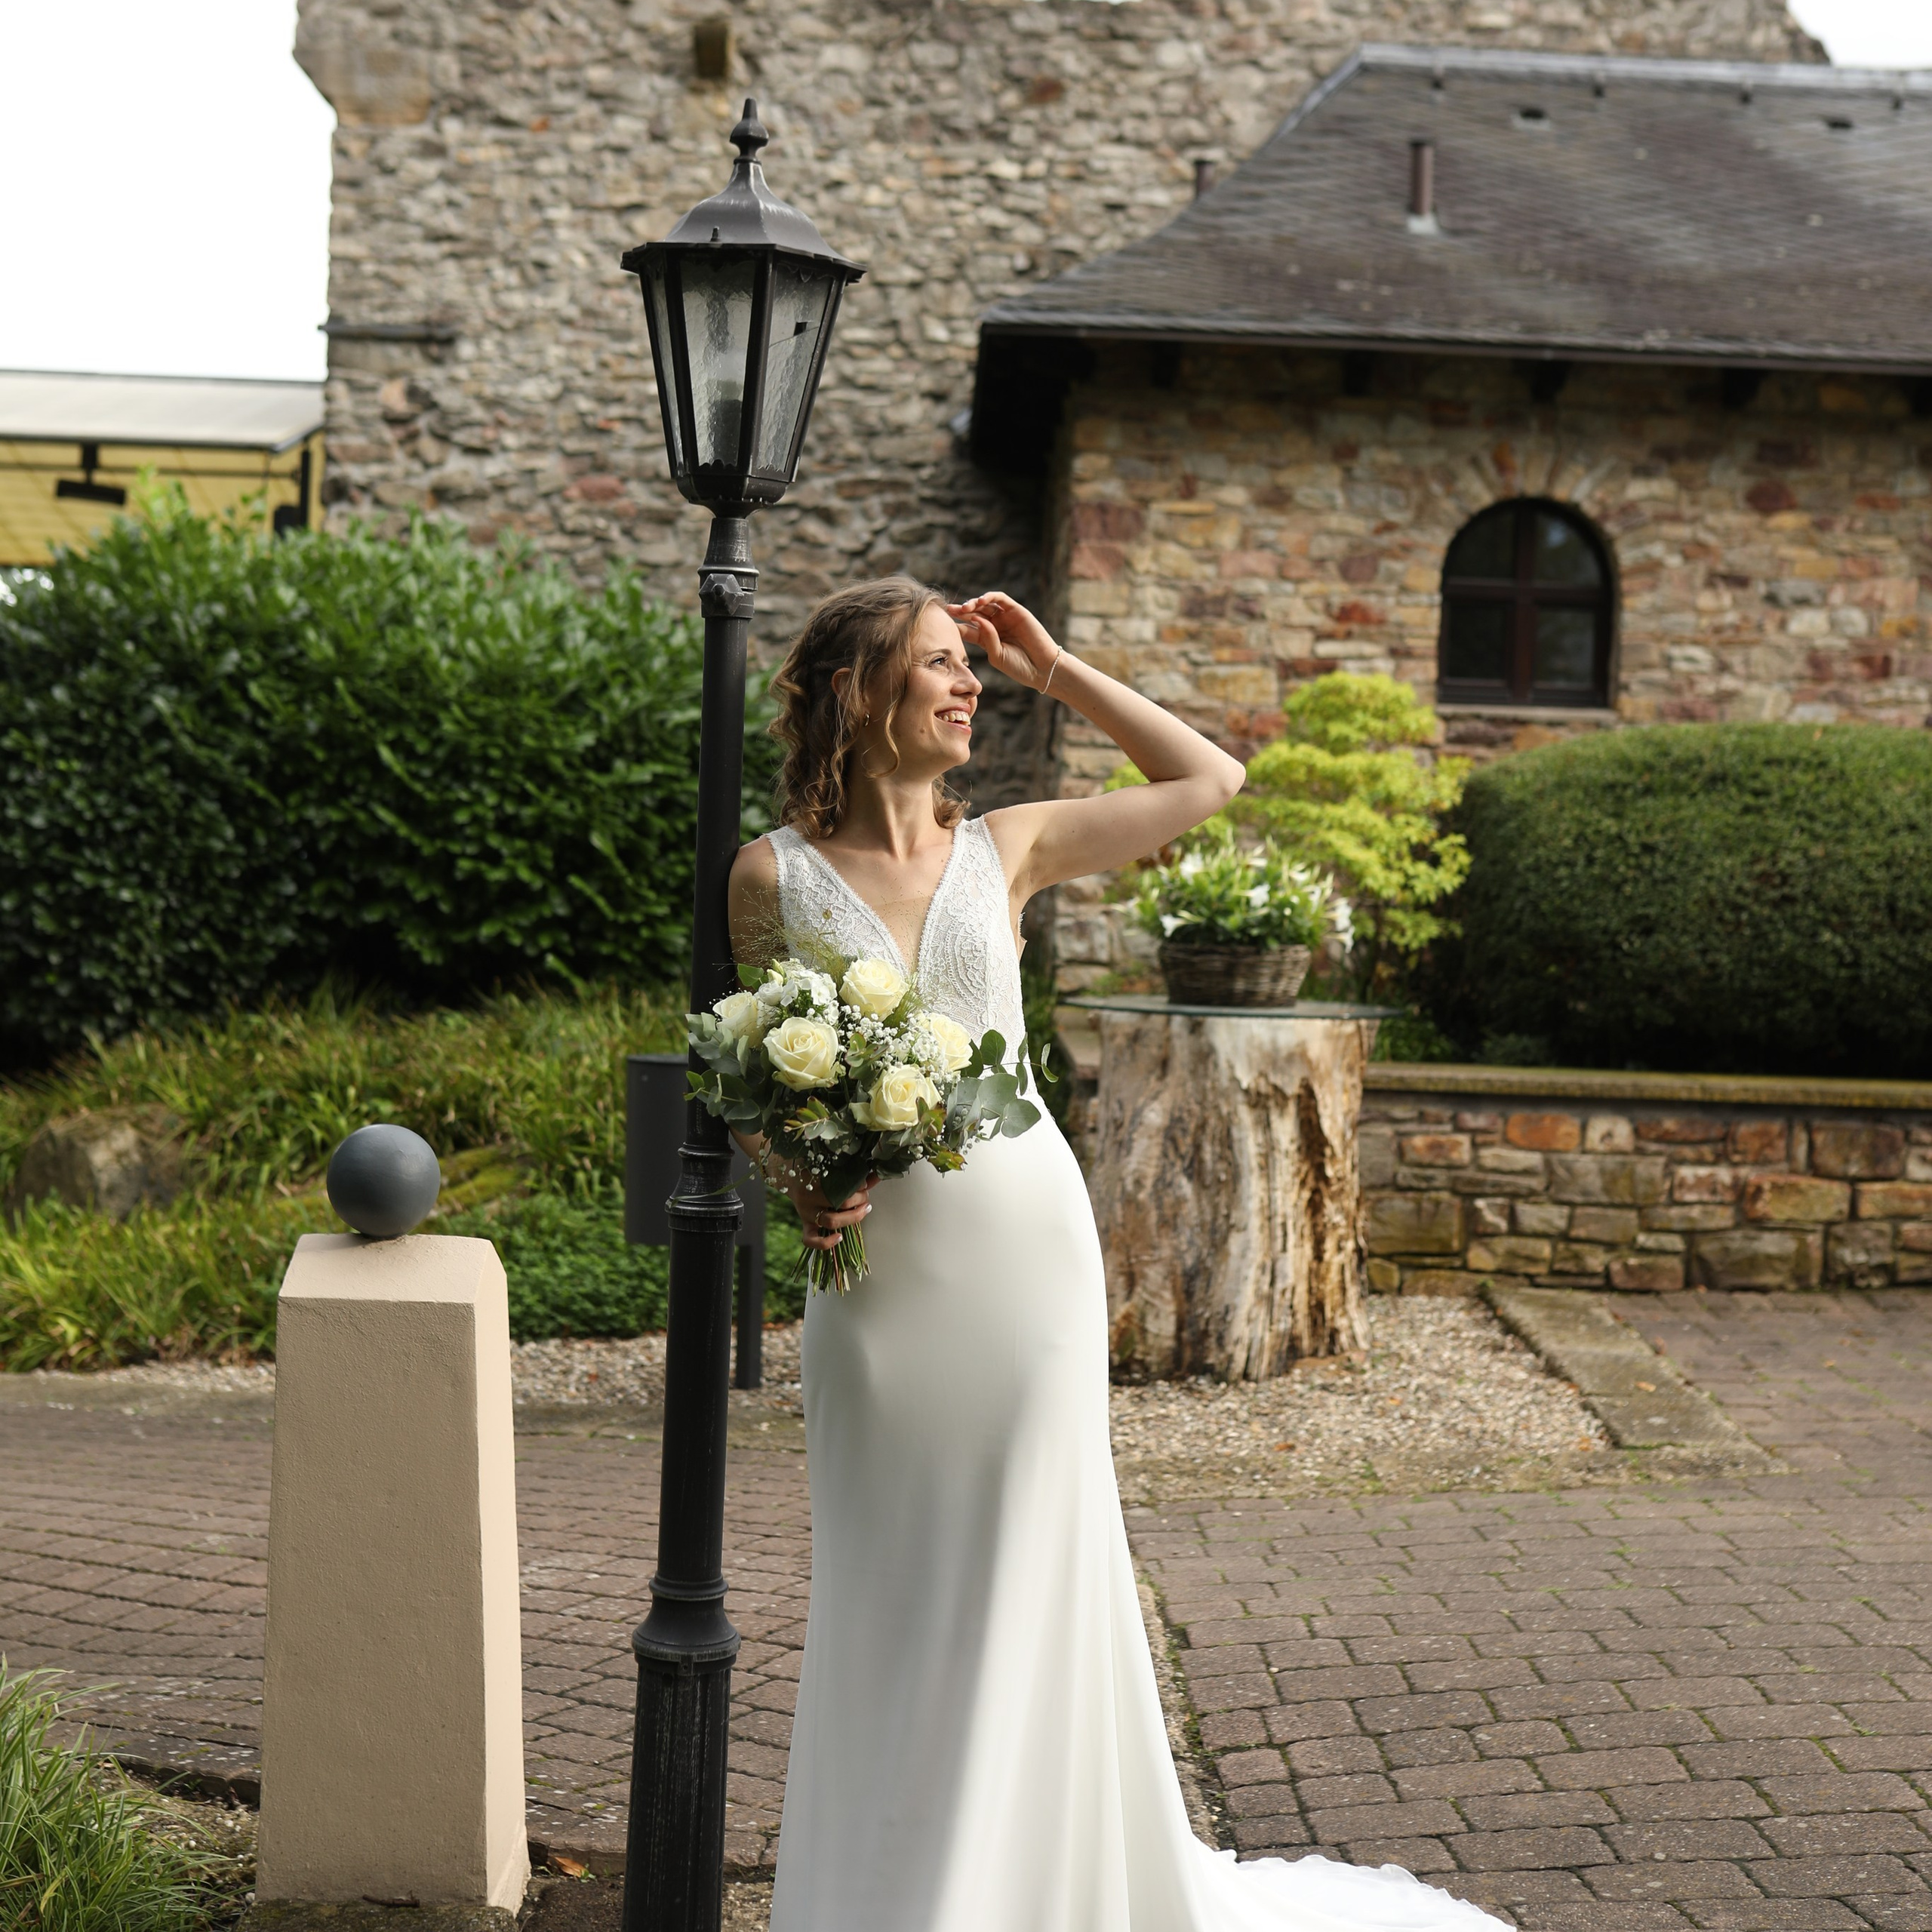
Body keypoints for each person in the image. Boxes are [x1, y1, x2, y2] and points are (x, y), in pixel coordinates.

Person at [728, 578, 1504, 1931]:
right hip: (880, 1290)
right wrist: (801, 1189)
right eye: (942, 667)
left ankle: (1024, 1891)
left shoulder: (1008, 847)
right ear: (862, 695)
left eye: (973, 669)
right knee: (892, 1576)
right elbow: (753, 1085)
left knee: (1031, 1558)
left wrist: (1056, 666)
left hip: (1024, 1252)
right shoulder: (771, 877)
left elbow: (1212, 776)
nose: (968, 687)